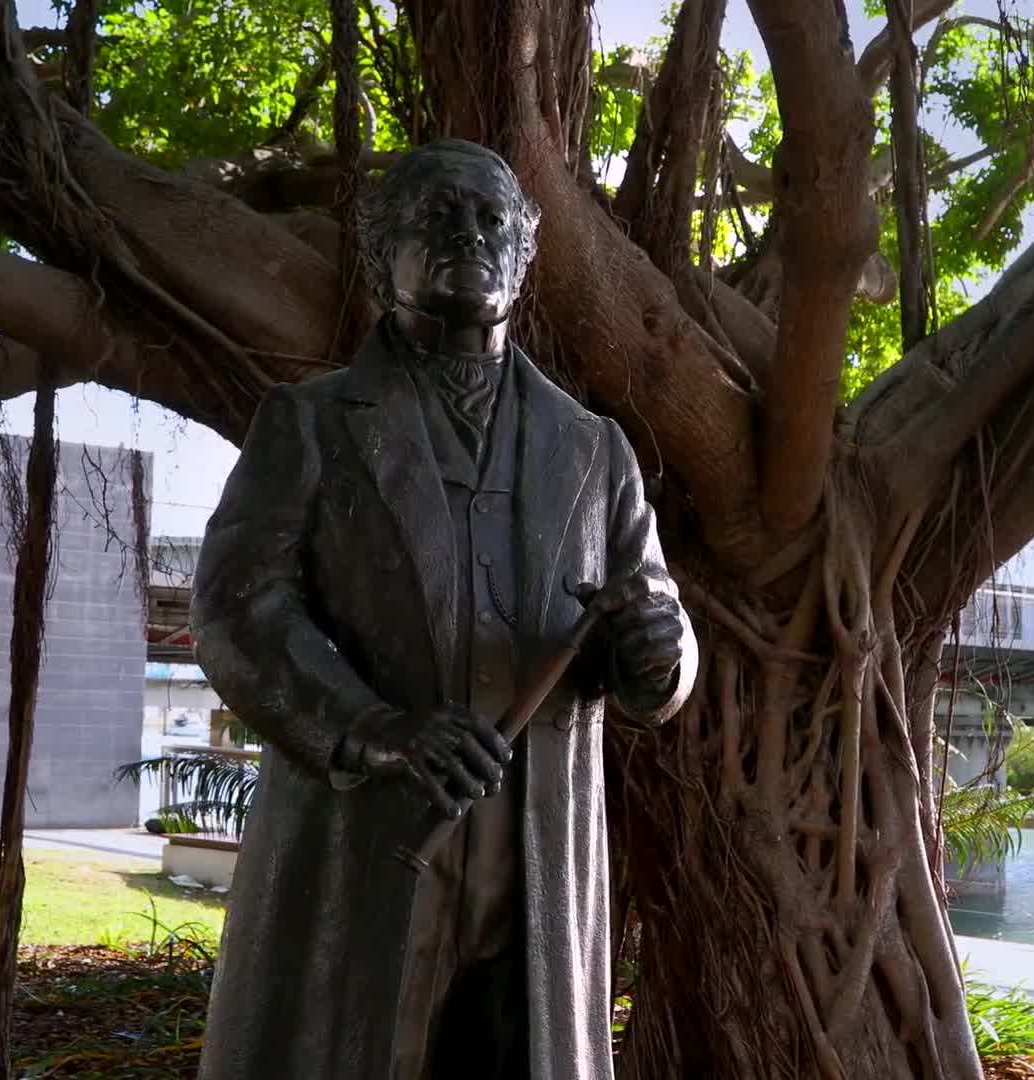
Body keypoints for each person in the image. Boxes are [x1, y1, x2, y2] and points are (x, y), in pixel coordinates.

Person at [189, 138, 697, 1080]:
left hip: (534, 870)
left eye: (490, 217)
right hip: (366, 853)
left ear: (526, 252)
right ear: (382, 254)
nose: (469, 233)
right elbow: (236, 610)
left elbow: (655, 627)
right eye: (437, 217)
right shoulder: (309, 424)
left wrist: (658, 649)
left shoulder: (593, 450)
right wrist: (376, 729)